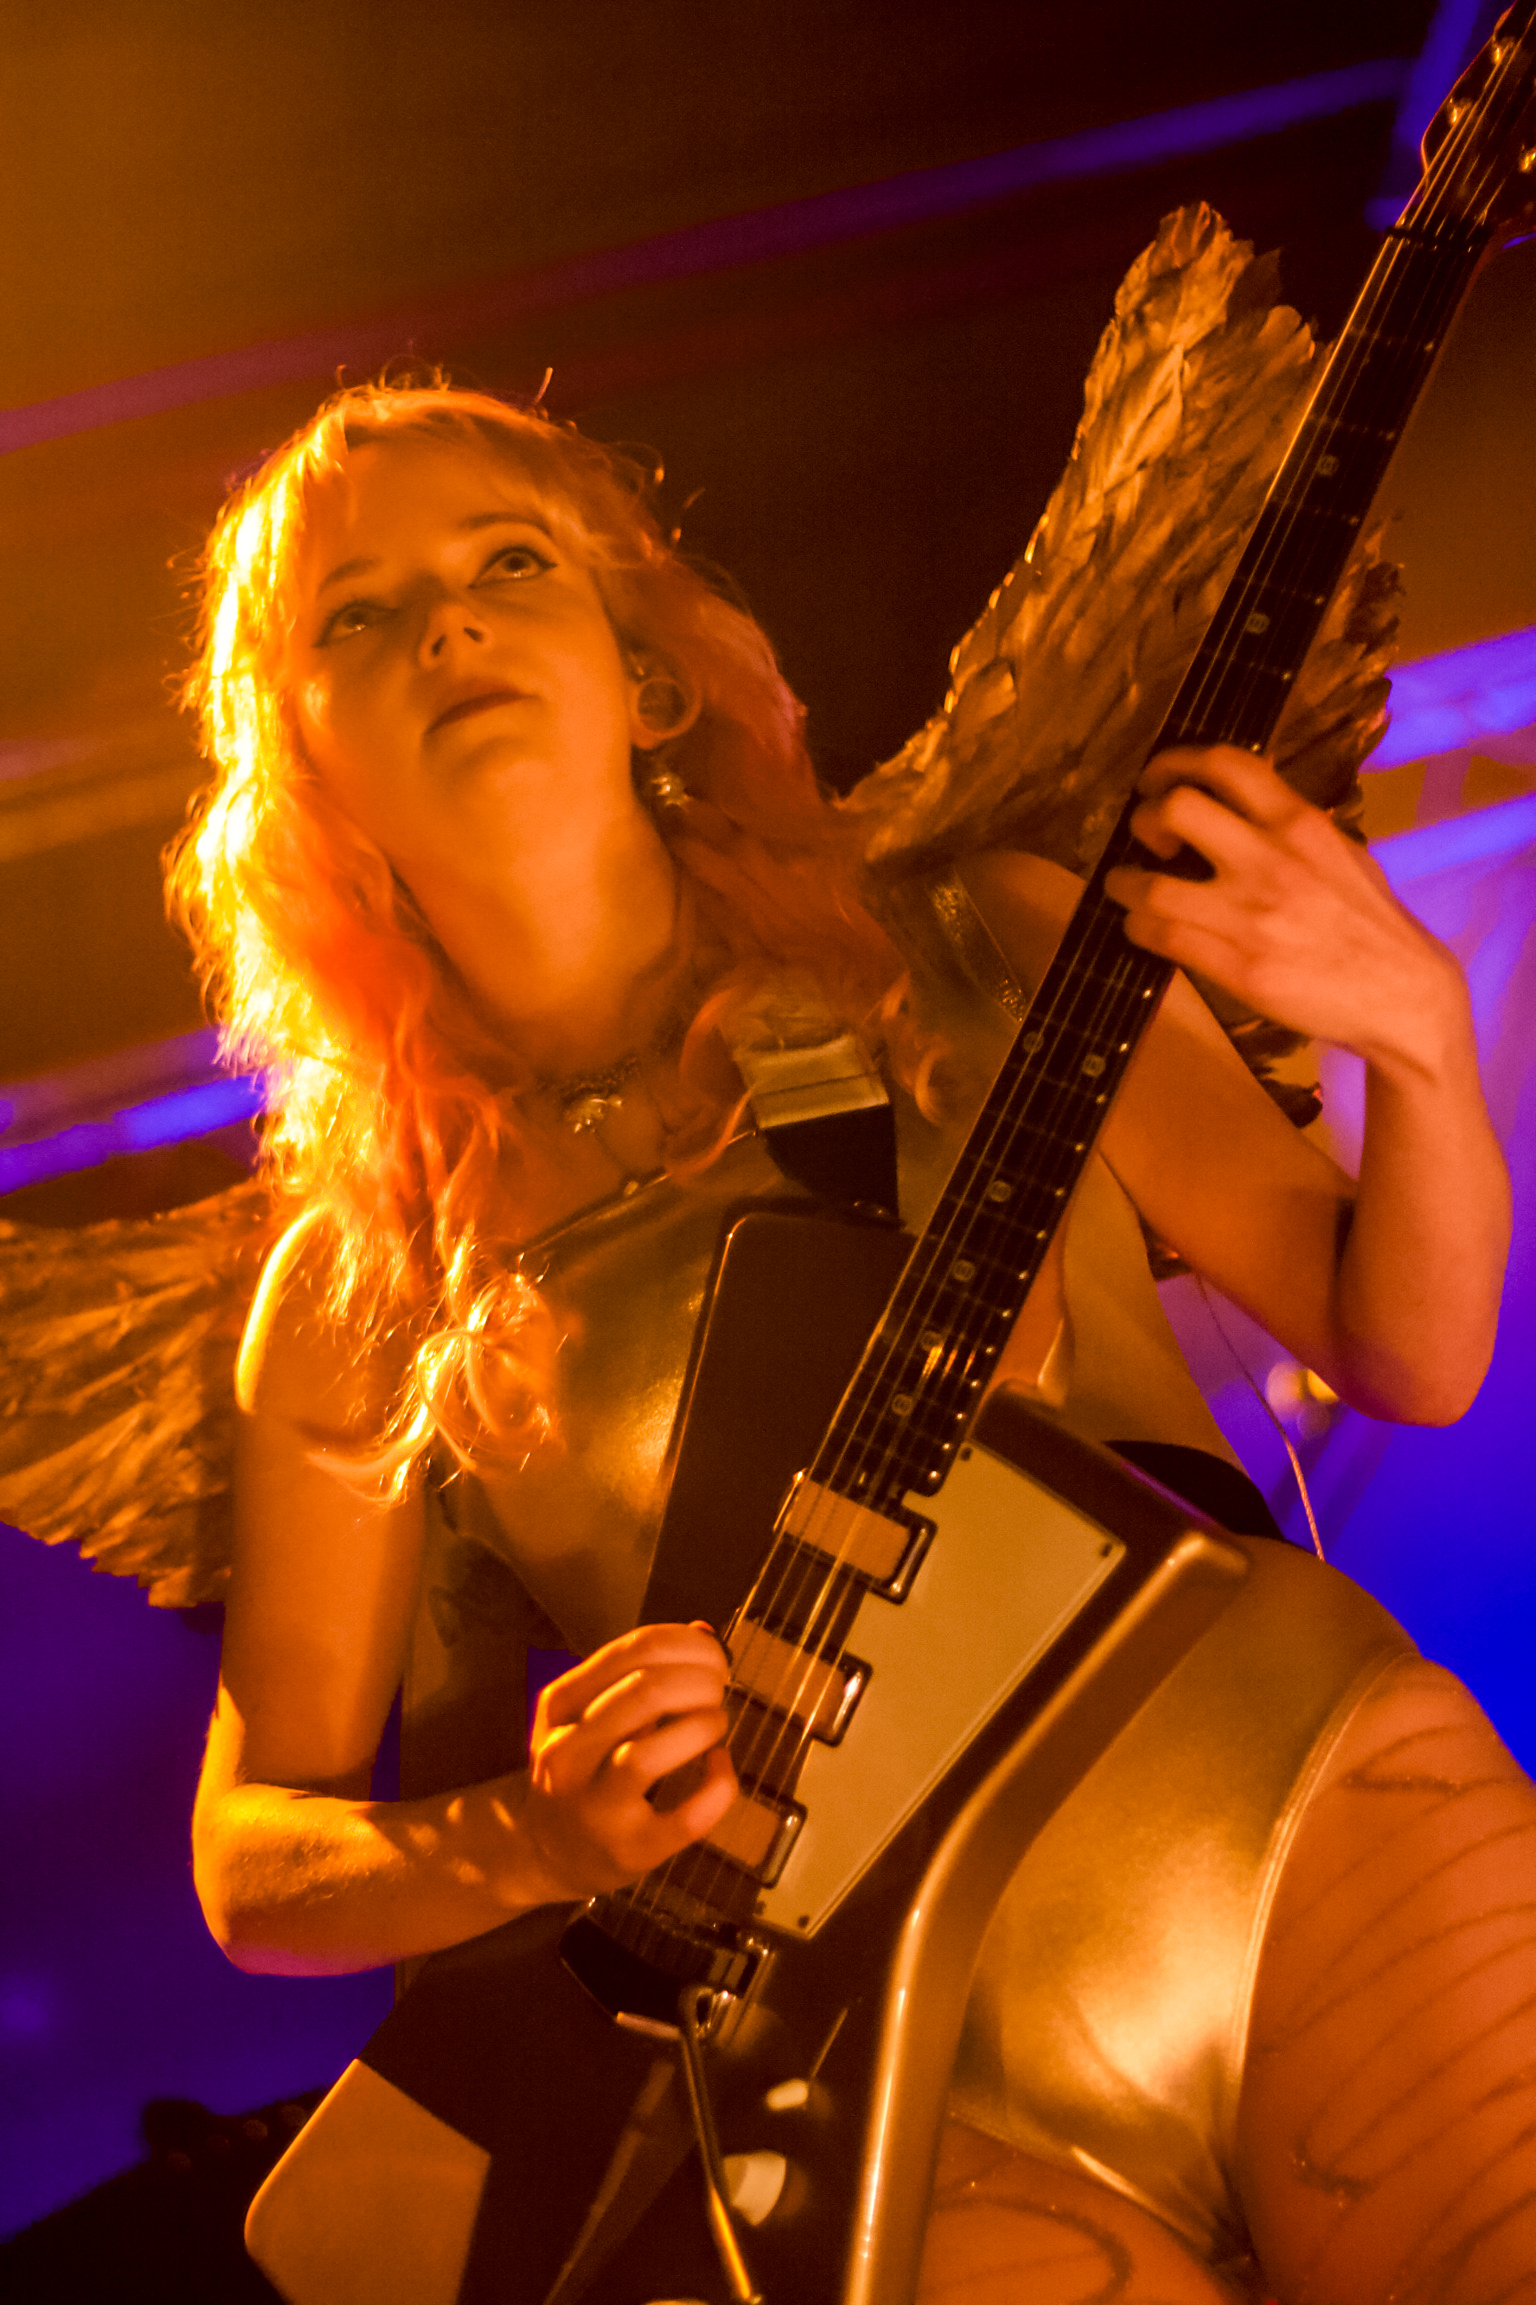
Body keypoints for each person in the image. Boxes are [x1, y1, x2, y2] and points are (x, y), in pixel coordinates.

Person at [170, 360, 1530, 2305]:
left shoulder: (983, 936)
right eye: (357, 615)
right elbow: (254, 1860)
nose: (447, 623)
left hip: (1302, 1806)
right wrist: (533, 1834)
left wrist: (1420, 1037)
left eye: (509, 561)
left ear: (648, 671)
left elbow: (1413, 1348)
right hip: (885, 2092)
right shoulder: (361, 1279)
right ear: (300, 777)